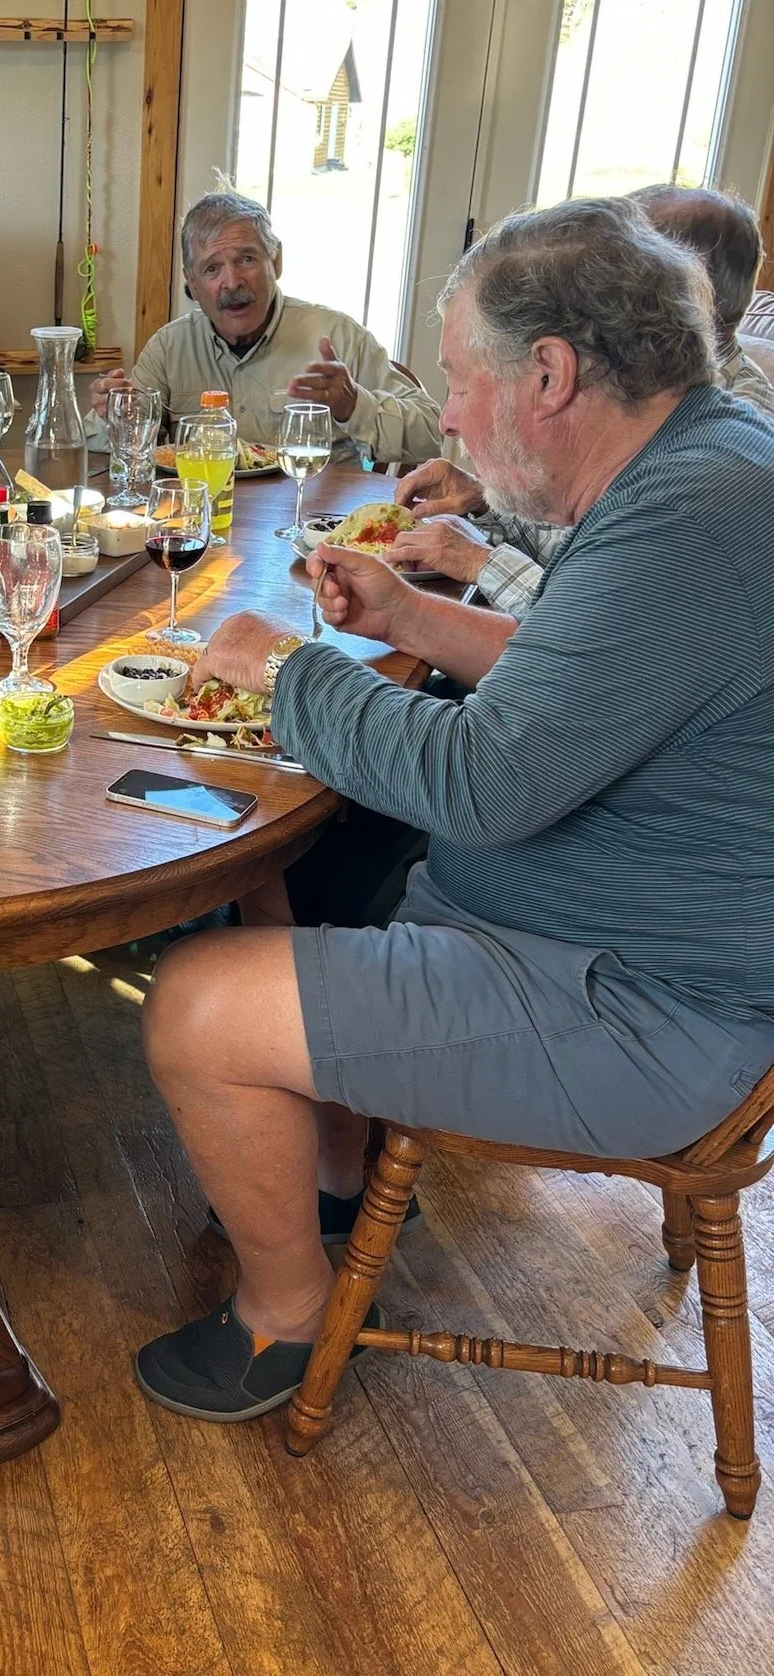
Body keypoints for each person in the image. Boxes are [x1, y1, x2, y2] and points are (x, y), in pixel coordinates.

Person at [134, 197, 774, 1422]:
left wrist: (285, 668)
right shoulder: (702, 465)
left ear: (551, 372)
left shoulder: (692, 521)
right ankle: (334, 1186)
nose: (449, 416)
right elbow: (570, 675)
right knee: (266, 877)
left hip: (646, 1012)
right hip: (600, 942)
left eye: (460, 383)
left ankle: (285, 1315)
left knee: (195, 1007)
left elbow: (483, 776)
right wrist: (413, 619)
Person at [393, 183, 774, 613]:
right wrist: (486, 500)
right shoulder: (662, 412)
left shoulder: (711, 459)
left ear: (683, 286)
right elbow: (571, 543)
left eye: (622, 256)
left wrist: (481, 561)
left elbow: (597, 608)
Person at [90, 189, 442, 465]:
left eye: (247, 258)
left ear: (276, 261)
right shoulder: (169, 348)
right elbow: (91, 445)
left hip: (312, 533)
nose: (232, 281)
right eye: (212, 268)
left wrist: (355, 405)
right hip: (199, 532)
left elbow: (430, 431)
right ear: (192, 284)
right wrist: (119, 417)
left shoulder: (335, 335)